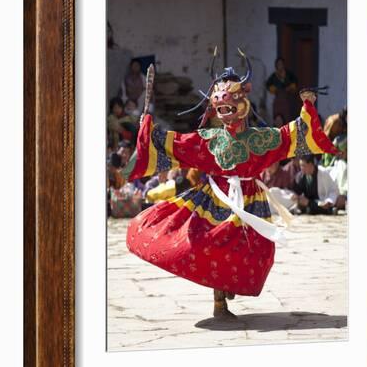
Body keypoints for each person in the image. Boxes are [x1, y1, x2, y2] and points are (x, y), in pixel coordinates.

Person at [122, 54, 338, 319]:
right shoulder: (208, 139)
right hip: (216, 199)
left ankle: (229, 286)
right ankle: (219, 303)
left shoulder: (261, 138)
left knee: (256, 252)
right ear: (214, 106)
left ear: (244, 102)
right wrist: (149, 130)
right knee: (212, 243)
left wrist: (308, 106)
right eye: (220, 104)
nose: (225, 108)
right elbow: (174, 145)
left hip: (251, 202)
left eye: (231, 101)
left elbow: (294, 136)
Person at [266, 57, 299, 124]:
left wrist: (289, 88)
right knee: (277, 118)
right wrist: (275, 90)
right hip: (278, 101)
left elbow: (295, 83)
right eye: (278, 64)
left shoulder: (289, 75)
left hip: (288, 101)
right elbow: (268, 85)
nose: (280, 66)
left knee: (287, 119)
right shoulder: (274, 76)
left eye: (281, 64)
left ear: (283, 65)